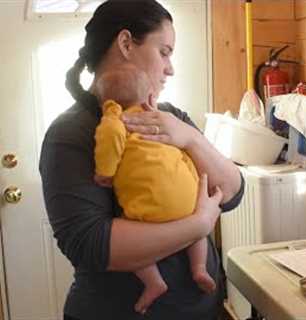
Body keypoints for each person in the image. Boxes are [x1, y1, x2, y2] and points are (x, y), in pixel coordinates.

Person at [39, 1, 244, 319]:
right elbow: (91, 244)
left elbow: (231, 192)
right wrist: (198, 224)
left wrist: (189, 137)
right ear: (125, 44)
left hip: (201, 309)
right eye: (164, 51)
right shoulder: (70, 133)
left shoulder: (171, 116)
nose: (170, 68)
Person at [94, 64, 216, 314]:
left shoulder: (116, 119)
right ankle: (199, 268)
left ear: (107, 103)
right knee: (198, 232)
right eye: (164, 52)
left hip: (151, 211)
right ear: (150, 99)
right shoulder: (165, 121)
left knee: (134, 241)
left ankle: (154, 282)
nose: (169, 67)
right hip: (189, 201)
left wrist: (104, 172)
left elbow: (109, 141)